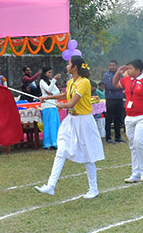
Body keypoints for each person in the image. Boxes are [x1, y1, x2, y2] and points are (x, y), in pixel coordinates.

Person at [35, 56, 104, 198]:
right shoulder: (71, 81)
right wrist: (46, 98)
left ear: (75, 67)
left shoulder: (84, 82)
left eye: (69, 63)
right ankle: (51, 186)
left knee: (88, 156)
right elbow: (64, 96)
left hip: (84, 121)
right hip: (71, 120)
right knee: (61, 151)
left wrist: (61, 105)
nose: (67, 65)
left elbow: (71, 103)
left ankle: (94, 189)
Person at [113, 59, 143, 183]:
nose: (128, 71)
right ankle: (136, 173)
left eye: (130, 69)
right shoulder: (127, 80)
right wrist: (118, 72)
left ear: (138, 70)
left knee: (140, 143)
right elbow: (115, 84)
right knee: (133, 145)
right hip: (130, 117)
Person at [103, 60, 125, 144]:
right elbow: (109, 86)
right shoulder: (106, 75)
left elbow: (123, 85)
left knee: (118, 118)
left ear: (116, 66)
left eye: (113, 65)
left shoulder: (121, 75)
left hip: (119, 99)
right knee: (109, 118)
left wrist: (116, 86)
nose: (111, 67)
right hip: (110, 99)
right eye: (110, 65)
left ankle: (118, 137)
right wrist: (118, 86)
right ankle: (108, 137)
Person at [39, 66, 61, 149]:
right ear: (45, 73)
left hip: (53, 104)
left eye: (51, 73)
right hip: (47, 105)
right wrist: (54, 80)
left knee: (54, 124)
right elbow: (48, 89)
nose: (50, 74)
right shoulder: (42, 81)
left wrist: (51, 93)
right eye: (49, 72)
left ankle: (55, 142)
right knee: (48, 125)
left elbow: (56, 92)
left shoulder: (50, 81)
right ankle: (48, 144)